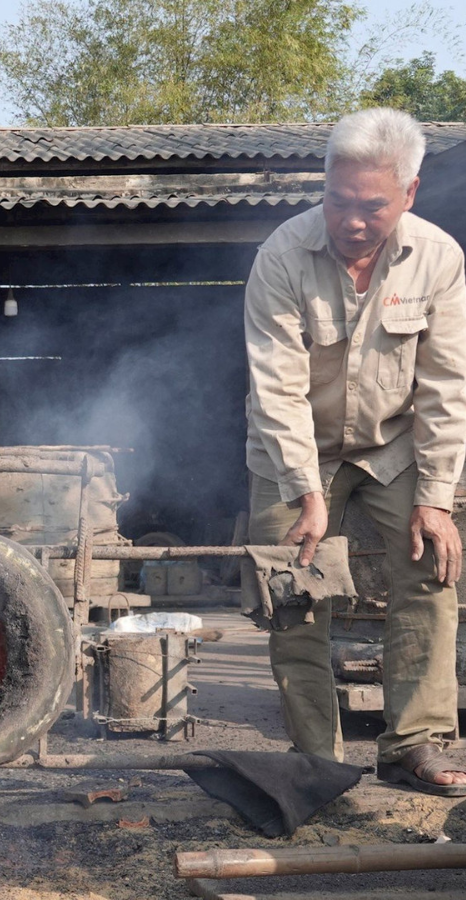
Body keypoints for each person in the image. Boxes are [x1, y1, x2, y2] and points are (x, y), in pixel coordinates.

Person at [244, 107, 466, 794]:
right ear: (324, 184)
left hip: (393, 445)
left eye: (372, 206)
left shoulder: (439, 259)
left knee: (432, 565)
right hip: (293, 449)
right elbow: (276, 388)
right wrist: (308, 494)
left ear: (409, 193)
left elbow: (445, 388)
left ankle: (412, 743)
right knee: (295, 586)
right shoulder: (282, 255)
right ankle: (317, 758)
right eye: (337, 201)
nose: (352, 221)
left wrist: (435, 499)